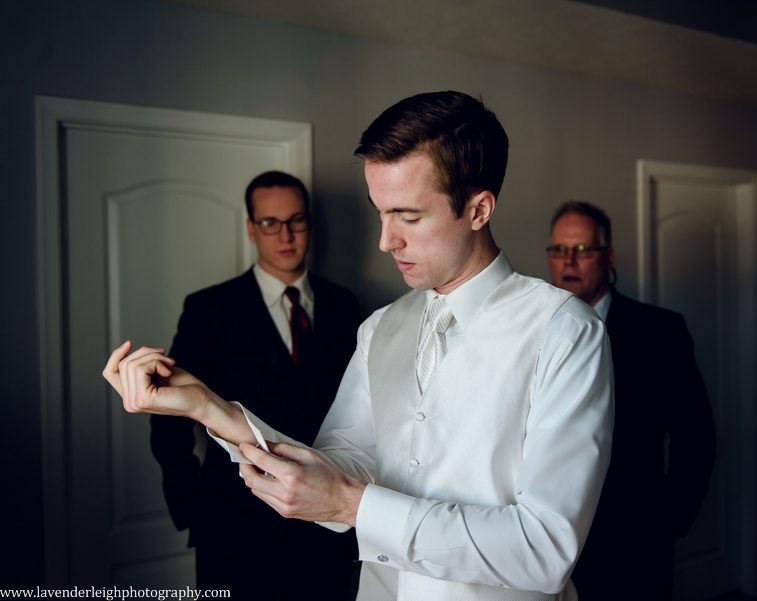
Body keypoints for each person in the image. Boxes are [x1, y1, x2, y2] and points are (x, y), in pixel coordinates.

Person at [104, 91, 614, 601]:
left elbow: (545, 548)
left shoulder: (564, 331)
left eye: (408, 217)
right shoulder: (381, 328)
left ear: (478, 209)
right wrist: (211, 409)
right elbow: (337, 469)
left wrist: (355, 507)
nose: (385, 241)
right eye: (380, 213)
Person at [149, 171, 361, 600]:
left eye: (296, 221)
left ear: (310, 226)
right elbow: (168, 414)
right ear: (251, 228)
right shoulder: (209, 309)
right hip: (234, 523)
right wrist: (193, 503)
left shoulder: (346, 305)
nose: (285, 235)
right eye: (270, 223)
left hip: (328, 524)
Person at [546, 201, 716, 600]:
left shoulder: (659, 331)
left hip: (636, 538)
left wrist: (670, 523)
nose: (569, 260)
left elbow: (697, 436)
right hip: (550, 537)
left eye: (583, 250)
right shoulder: (531, 330)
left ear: (609, 257)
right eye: (558, 249)